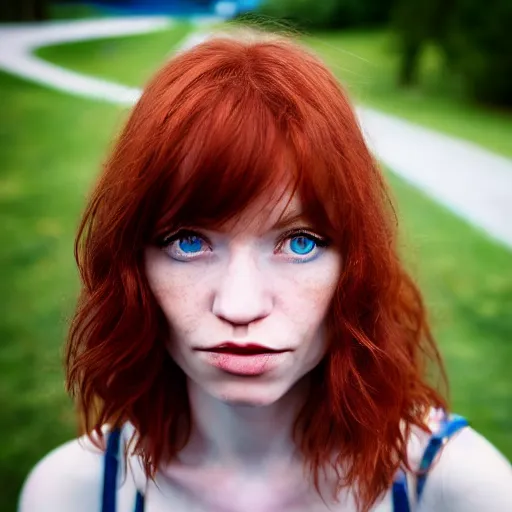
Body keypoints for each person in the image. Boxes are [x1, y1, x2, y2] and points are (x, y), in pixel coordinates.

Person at [19, 30, 511, 512]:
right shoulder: (70, 494)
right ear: (132, 266)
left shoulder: (458, 489)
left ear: (357, 266)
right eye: (188, 242)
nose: (240, 306)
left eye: (300, 242)